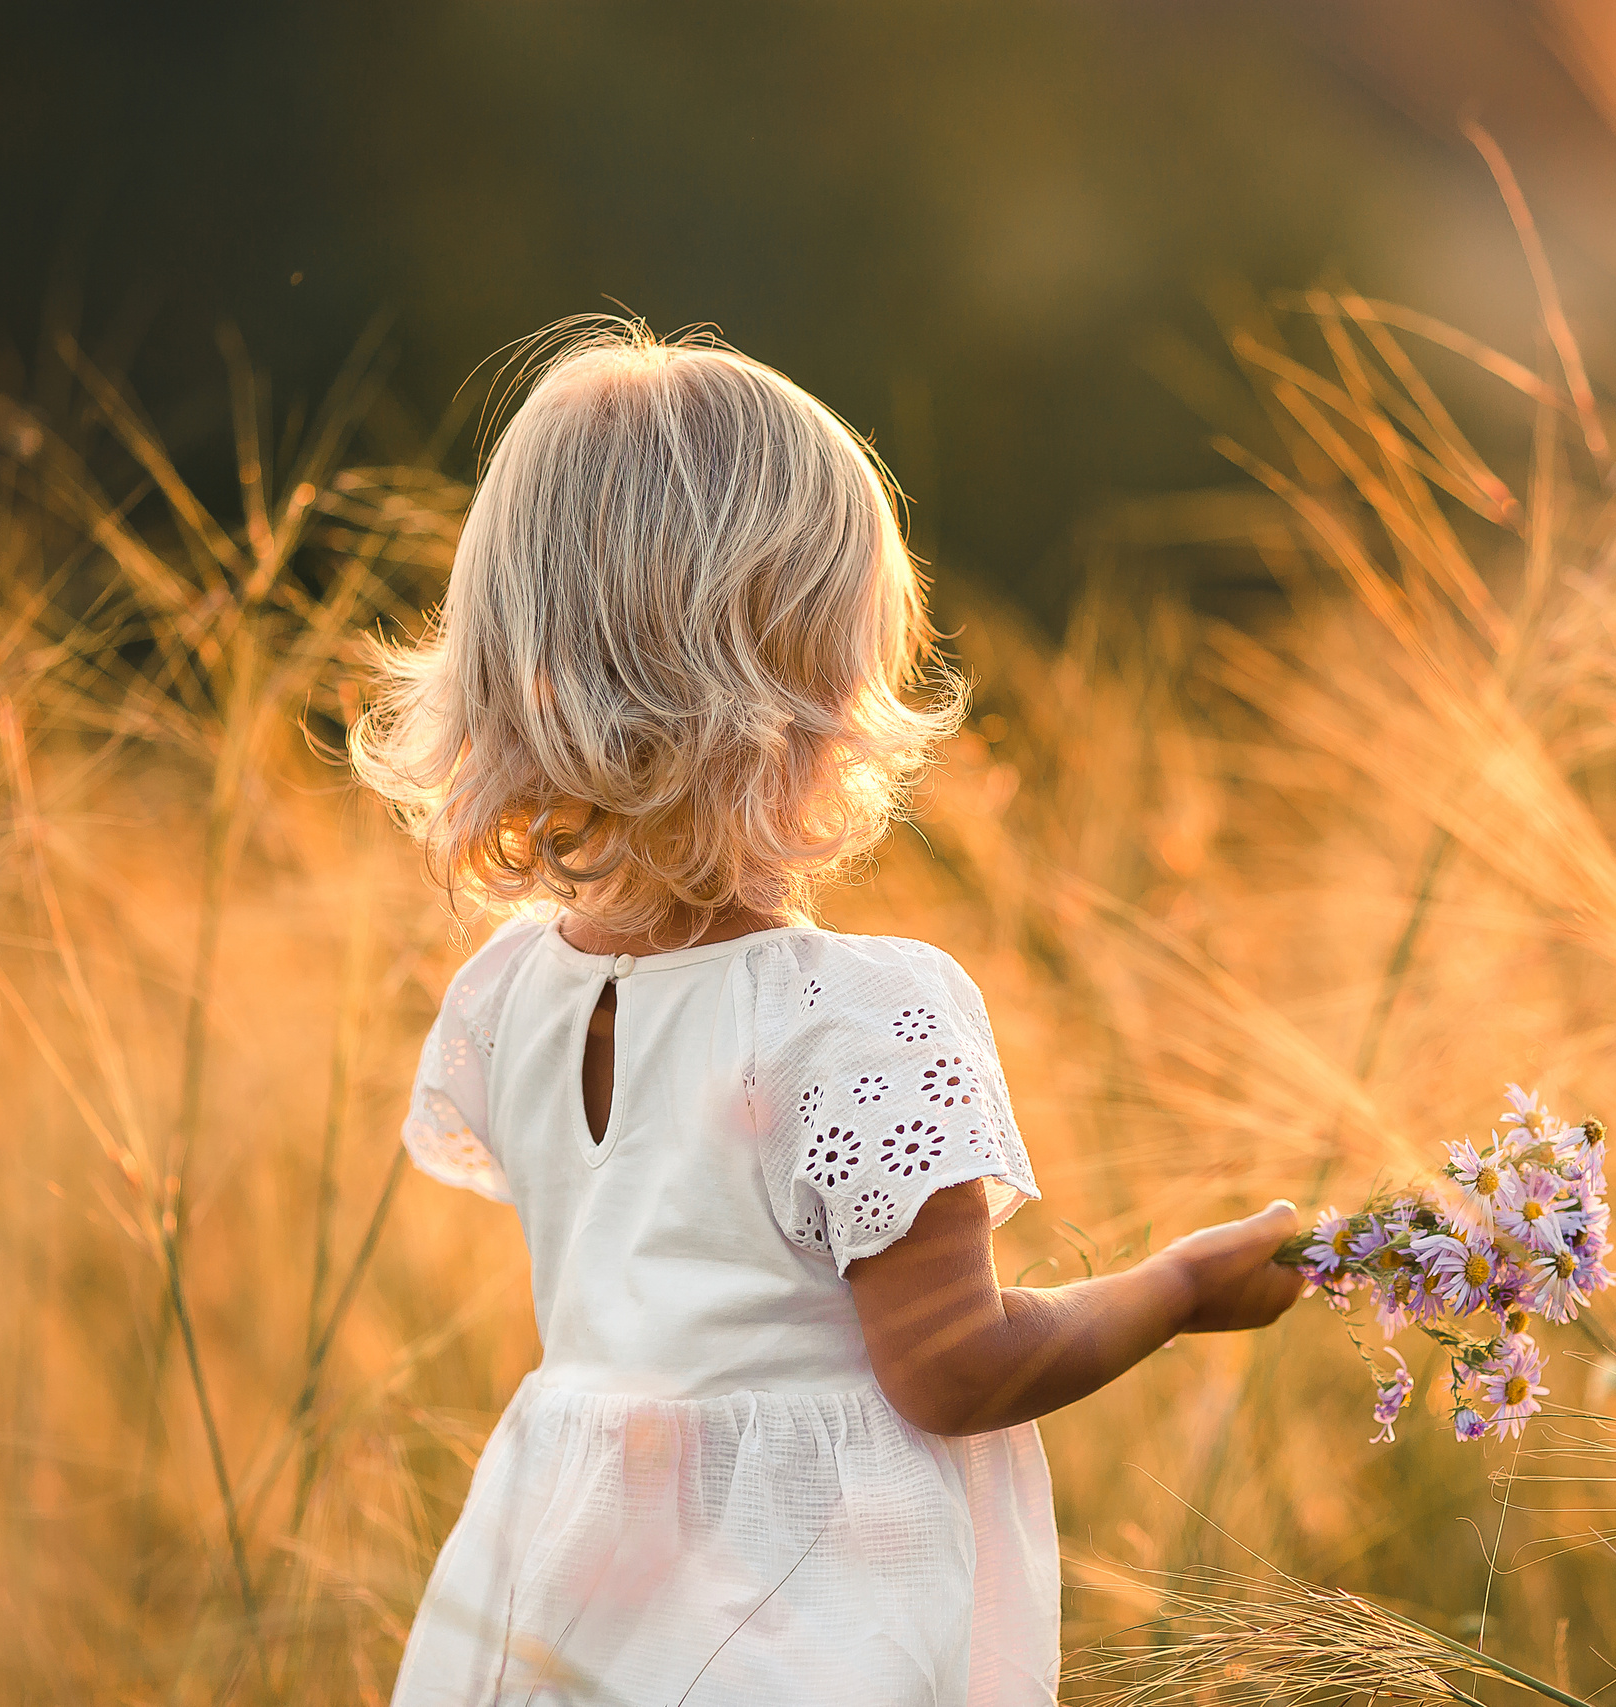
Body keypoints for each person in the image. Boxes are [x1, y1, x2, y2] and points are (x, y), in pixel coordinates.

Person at [352, 321, 1304, 1706]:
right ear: (802, 693)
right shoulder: (858, 1017)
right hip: (787, 1616)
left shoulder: (508, 997)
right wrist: (1174, 1291)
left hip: (553, 1596)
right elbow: (952, 1372)